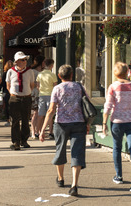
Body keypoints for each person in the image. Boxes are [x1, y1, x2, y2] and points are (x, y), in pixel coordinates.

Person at [40, 64, 87, 197]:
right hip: (79, 122)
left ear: (59, 76)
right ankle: (74, 184)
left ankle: (60, 178)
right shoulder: (79, 87)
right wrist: (88, 123)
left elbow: (51, 110)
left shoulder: (57, 88)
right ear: (72, 75)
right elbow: (86, 104)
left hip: (61, 124)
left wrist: (43, 129)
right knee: (77, 152)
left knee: (60, 150)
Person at [102, 61, 131, 192]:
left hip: (117, 122)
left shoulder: (113, 87)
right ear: (127, 72)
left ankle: (119, 176)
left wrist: (104, 123)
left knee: (117, 148)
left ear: (115, 73)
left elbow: (108, 106)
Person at [5, 51, 35, 150]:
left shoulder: (30, 71)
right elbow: (8, 85)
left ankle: (24, 140)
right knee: (15, 121)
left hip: (26, 98)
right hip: (15, 98)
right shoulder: (10, 71)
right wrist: (13, 94)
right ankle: (16, 142)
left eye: (25, 60)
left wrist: (27, 93)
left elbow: (32, 85)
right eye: (22, 60)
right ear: (17, 61)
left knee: (26, 120)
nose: (25, 61)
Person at [35, 58, 57, 139]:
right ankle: (51, 132)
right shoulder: (52, 75)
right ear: (52, 66)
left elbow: (37, 86)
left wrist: (41, 91)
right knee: (50, 114)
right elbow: (55, 86)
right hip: (50, 95)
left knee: (40, 115)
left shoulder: (40, 74)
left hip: (42, 95)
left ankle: (37, 132)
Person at [30, 55, 44, 139]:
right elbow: (31, 83)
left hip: (41, 94)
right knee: (35, 113)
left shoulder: (43, 72)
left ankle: (39, 131)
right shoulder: (33, 72)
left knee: (40, 113)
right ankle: (33, 131)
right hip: (35, 94)